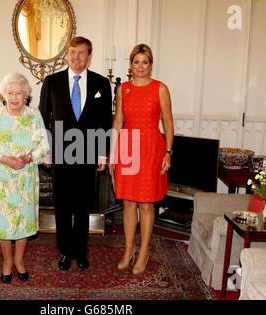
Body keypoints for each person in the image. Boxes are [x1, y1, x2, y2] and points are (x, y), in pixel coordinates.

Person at [39, 36, 113, 271]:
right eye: (72, 52)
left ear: (89, 56)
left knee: (82, 206)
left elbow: (104, 122)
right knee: (62, 206)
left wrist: (102, 154)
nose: (76, 57)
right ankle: (64, 252)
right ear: (67, 54)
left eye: (81, 53)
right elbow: (43, 120)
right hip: (59, 154)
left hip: (88, 152)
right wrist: (45, 152)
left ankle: (80, 251)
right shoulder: (52, 82)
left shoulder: (102, 84)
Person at [0, 72, 50, 283]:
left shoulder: (34, 115)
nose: (14, 97)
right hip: (1, 178)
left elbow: (43, 145)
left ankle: (20, 260)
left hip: (26, 177)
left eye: (19, 93)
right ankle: (7, 261)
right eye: (9, 93)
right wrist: (6, 159)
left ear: (26, 95)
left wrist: (29, 157)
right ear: (3, 95)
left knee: (23, 220)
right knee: (4, 221)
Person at [110, 44, 174, 275]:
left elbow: (168, 122)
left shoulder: (160, 89)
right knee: (128, 202)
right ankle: (128, 249)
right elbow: (118, 121)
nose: (140, 67)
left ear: (151, 64)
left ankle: (144, 251)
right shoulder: (123, 89)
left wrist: (168, 152)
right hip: (127, 146)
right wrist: (113, 152)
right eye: (136, 62)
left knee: (146, 203)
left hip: (151, 149)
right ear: (130, 64)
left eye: (144, 62)